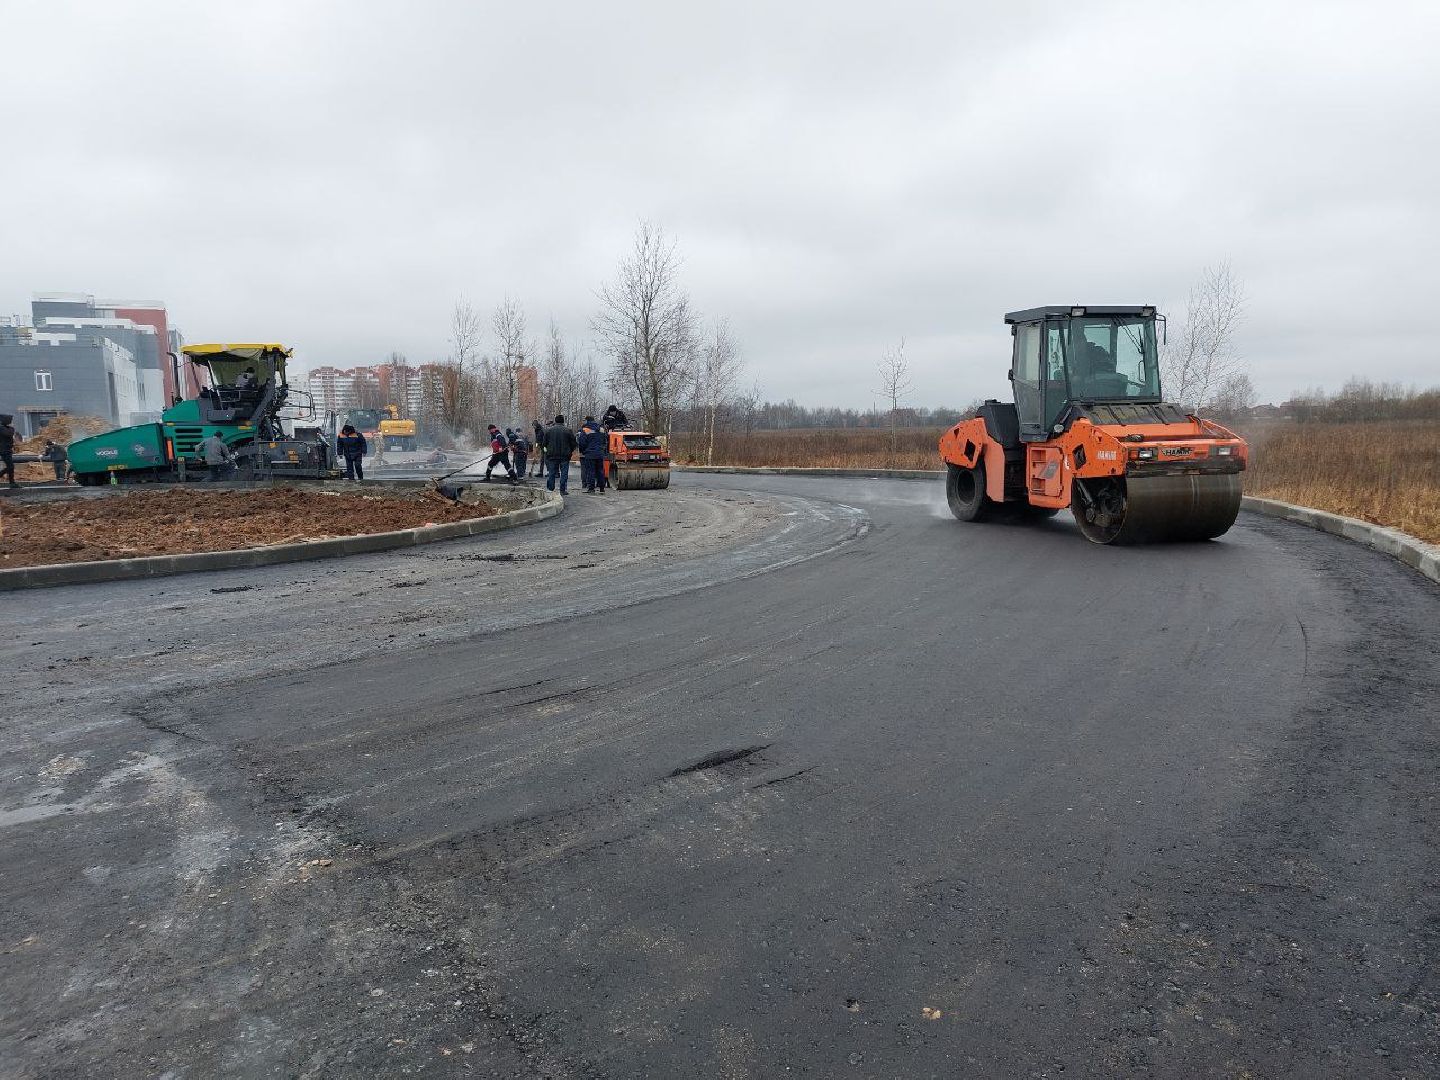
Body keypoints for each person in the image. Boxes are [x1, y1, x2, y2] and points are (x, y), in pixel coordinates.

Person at [542, 414, 577, 495]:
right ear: (563, 421)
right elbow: (573, 444)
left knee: (552, 472)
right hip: (565, 456)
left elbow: (544, 444)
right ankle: (562, 490)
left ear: (555, 421)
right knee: (564, 473)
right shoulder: (568, 430)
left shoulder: (549, 431)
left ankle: (550, 489)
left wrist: (547, 452)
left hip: (552, 455)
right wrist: (570, 451)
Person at [577, 415, 607, 494]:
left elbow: (582, 442)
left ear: (587, 421)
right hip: (600, 453)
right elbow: (605, 441)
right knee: (600, 470)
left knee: (591, 471)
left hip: (590, 453)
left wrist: (583, 451)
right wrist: (602, 450)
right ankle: (602, 488)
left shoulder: (585, 429)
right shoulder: (601, 429)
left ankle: (591, 488)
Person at [0, 413, 18, 489]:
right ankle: (12, 482)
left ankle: (12, 483)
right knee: (11, 466)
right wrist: (12, 428)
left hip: (7, 449)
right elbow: (9, 434)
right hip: (4, 450)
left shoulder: (6, 428)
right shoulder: (2, 428)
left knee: (10, 467)